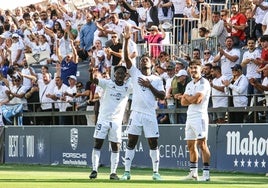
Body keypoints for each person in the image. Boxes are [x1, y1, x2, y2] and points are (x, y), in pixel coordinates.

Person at [121, 25, 165, 181]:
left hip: (150, 114)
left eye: (147, 59)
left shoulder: (157, 79)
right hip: (136, 113)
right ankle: (126, 172)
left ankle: (155, 172)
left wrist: (149, 85)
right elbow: (126, 58)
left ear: (151, 63)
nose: (144, 61)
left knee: (153, 142)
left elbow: (162, 96)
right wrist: (126, 40)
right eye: (142, 60)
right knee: (131, 141)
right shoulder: (135, 73)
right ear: (139, 65)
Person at [89, 66, 132, 180]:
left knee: (115, 146)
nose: (119, 75)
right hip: (103, 119)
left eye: (122, 74)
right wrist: (91, 73)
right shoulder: (107, 83)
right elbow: (94, 80)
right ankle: (94, 170)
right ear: (114, 74)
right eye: (118, 73)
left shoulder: (128, 87)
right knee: (98, 143)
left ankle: (113, 172)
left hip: (116, 122)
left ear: (125, 75)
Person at [181, 59, 211, 181]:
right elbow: (183, 102)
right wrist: (189, 98)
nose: (193, 70)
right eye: (191, 68)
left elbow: (197, 100)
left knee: (202, 144)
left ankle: (206, 174)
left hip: (200, 117)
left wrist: (187, 97)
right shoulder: (189, 84)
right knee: (190, 145)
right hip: (190, 117)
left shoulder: (204, 83)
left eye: (195, 68)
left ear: (201, 69)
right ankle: (193, 173)